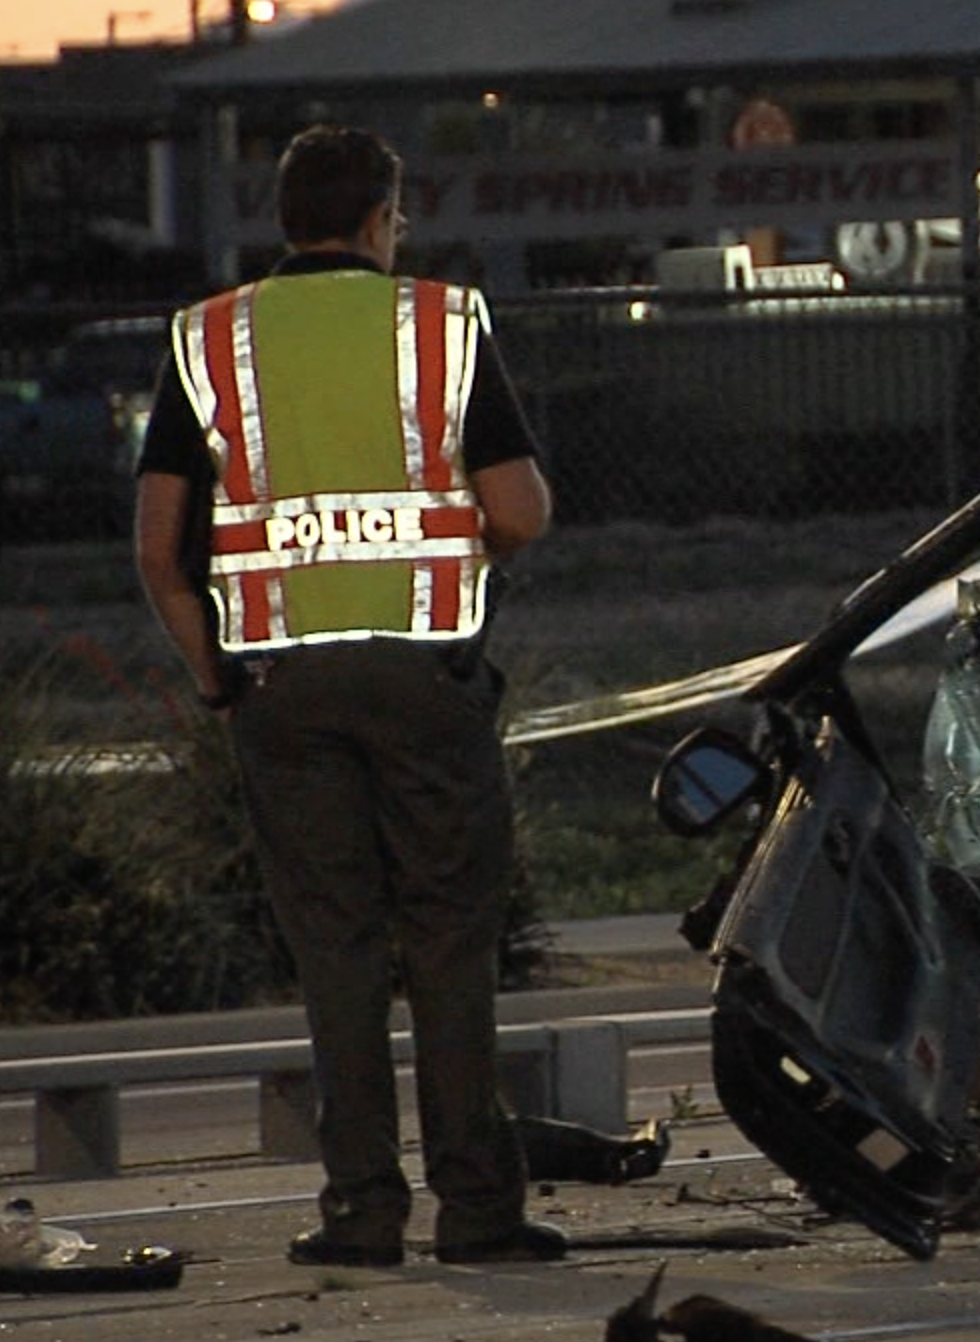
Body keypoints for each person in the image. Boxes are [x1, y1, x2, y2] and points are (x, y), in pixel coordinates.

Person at [133, 125, 562, 1267]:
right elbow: (517, 511)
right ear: (381, 218)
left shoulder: (210, 339)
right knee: (450, 945)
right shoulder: (440, 326)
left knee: (336, 951)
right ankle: (478, 1211)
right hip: (425, 679)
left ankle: (361, 1213)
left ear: (285, 220)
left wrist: (218, 682)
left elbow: (159, 550)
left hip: (280, 687)